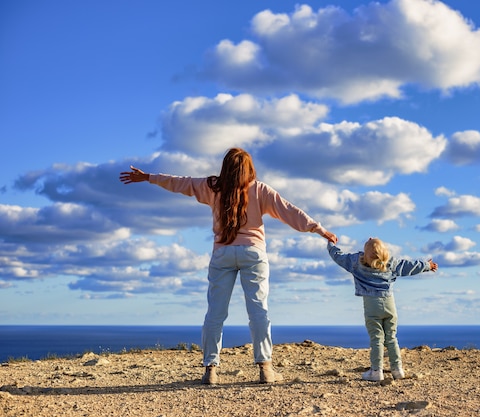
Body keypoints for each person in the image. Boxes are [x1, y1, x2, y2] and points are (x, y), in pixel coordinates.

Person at [120, 148, 337, 384]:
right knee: (258, 310)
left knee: (215, 312)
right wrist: (318, 229)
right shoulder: (259, 189)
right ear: (249, 168)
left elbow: (180, 183)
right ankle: (265, 369)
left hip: (222, 253)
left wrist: (149, 177)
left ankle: (210, 371)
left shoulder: (213, 187)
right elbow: (288, 210)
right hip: (253, 253)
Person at [327, 238, 437, 381]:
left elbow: (338, 256)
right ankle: (398, 370)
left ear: (366, 252)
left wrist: (330, 244)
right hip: (389, 303)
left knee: (377, 339)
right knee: (391, 337)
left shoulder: (356, 262)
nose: (370, 237)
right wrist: (427, 265)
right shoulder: (390, 262)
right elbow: (409, 266)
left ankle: (376, 371)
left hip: (372, 305)